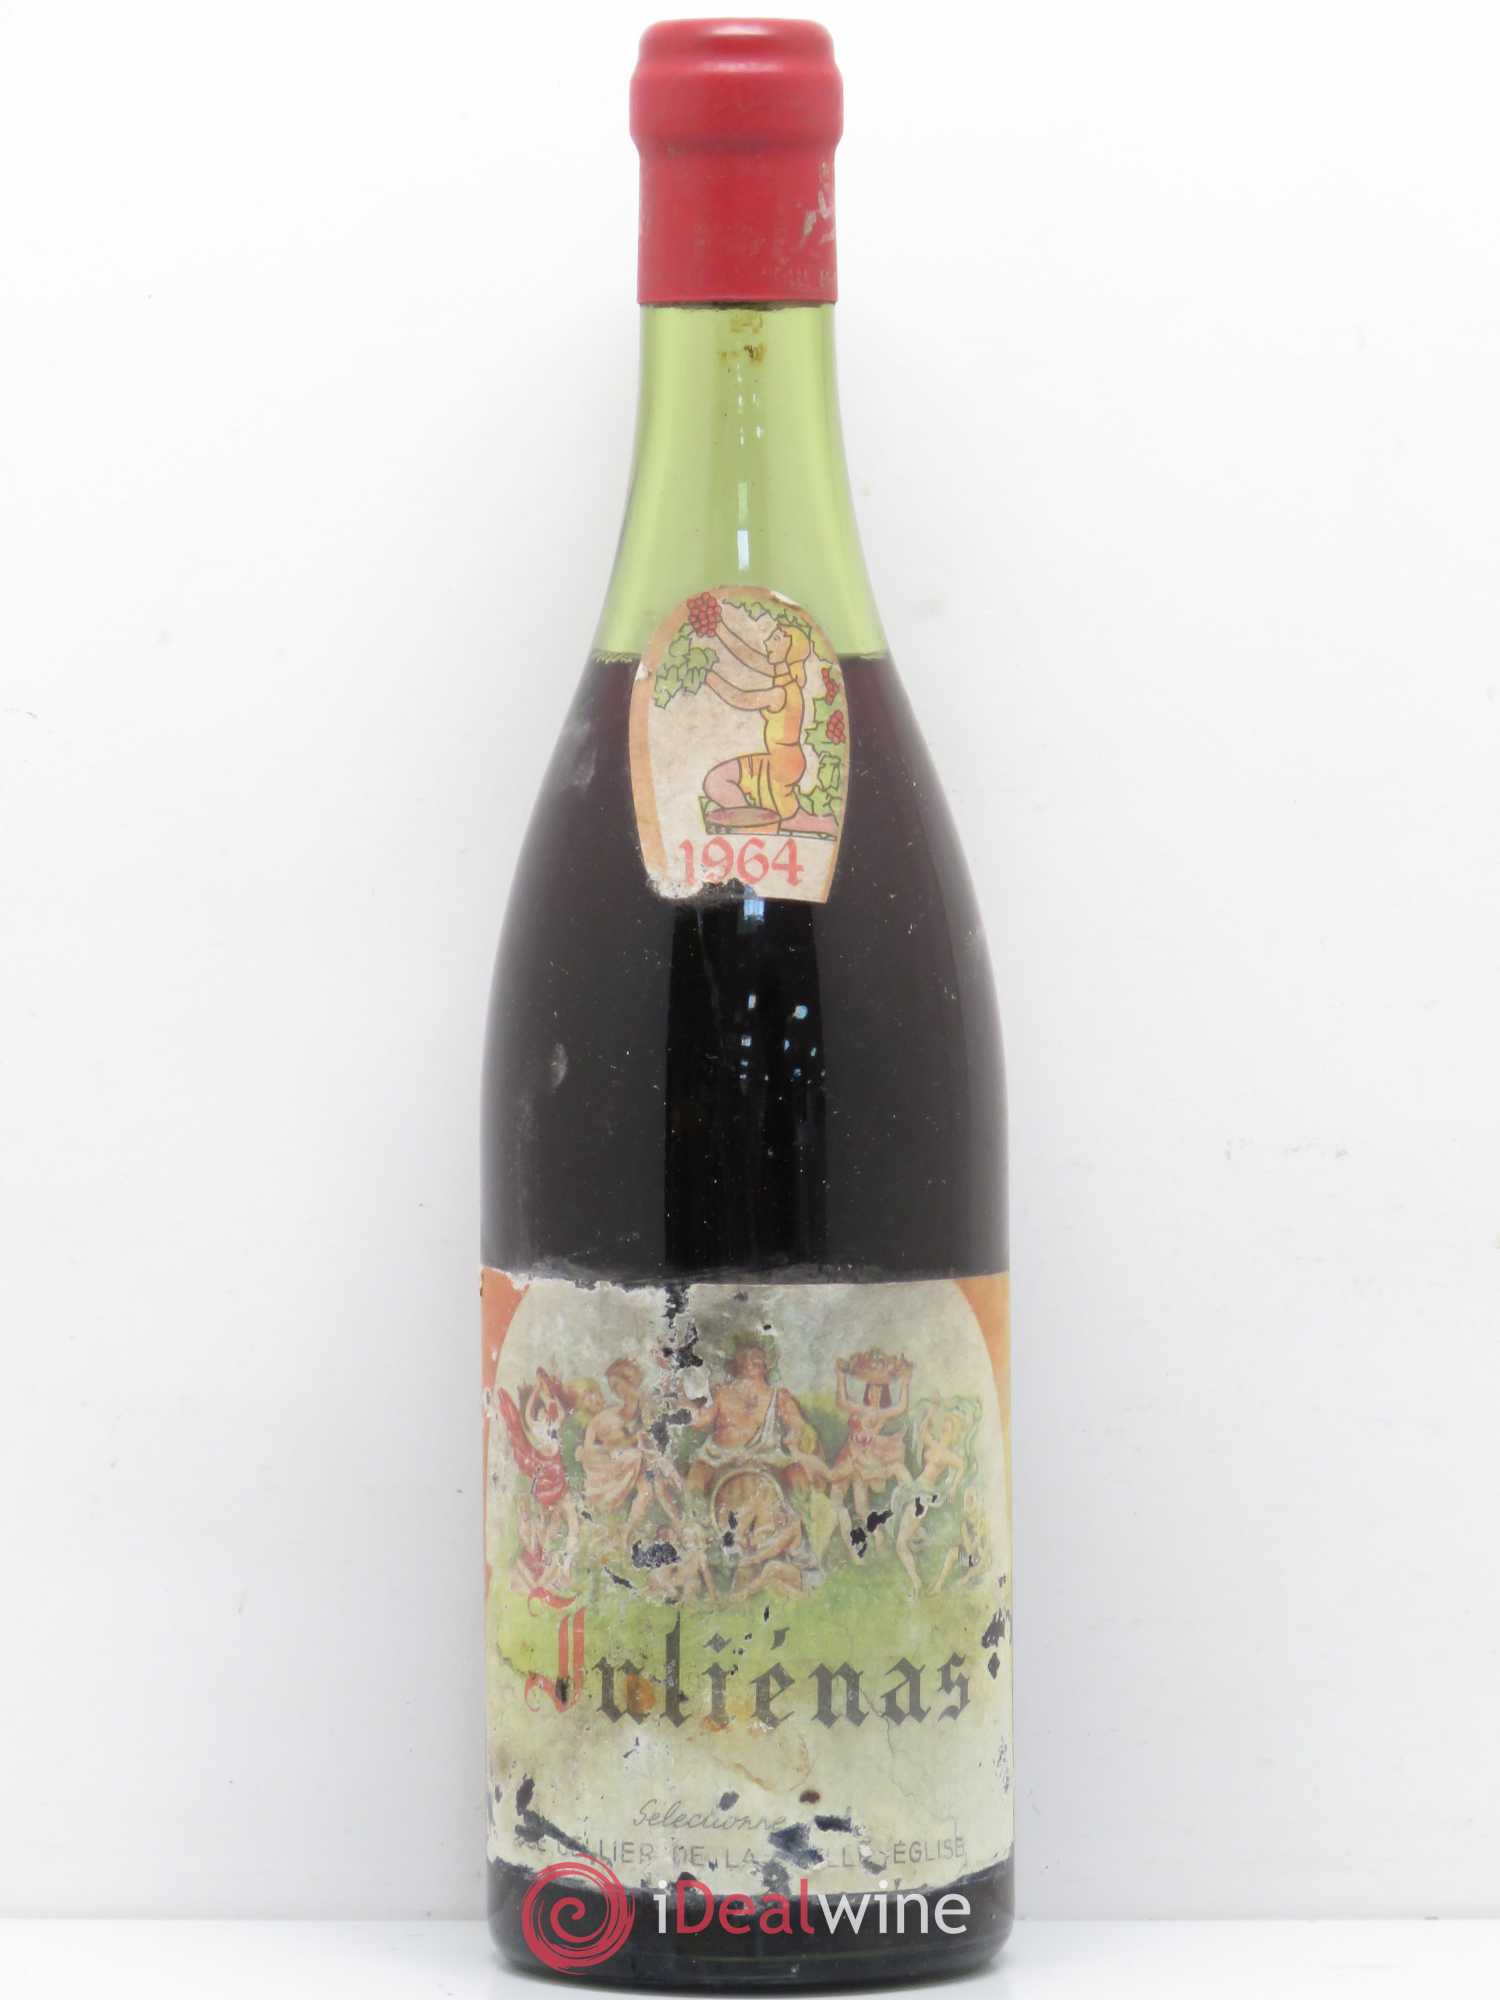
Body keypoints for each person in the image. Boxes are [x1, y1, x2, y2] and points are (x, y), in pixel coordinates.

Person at [701, 605, 837, 835]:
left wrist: (707, 676)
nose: (767, 642)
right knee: (788, 817)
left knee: (717, 781)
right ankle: (825, 824)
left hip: (780, 764)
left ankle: (751, 828)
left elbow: (741, 698)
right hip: (786, 760)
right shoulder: (784, 676)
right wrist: (719, 627)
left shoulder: (780, 693)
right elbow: (747, 656)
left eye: (776, 638)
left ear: (790, 649)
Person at [684, 1340, 827, 1498]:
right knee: (697, 1478)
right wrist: (684, 1401)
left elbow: (797, 1423)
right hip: (719, 1455)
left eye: (755, 1355)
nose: (749, 1360)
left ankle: (804, 1510)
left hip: (767, 1455)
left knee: (797, 1477)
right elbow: (700, 1420)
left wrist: (794, 1435)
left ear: (766, 1362)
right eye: (744, 1355)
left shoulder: (778, 1396)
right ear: (735, 1360)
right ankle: (692, 1510)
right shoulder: (721, 1392)